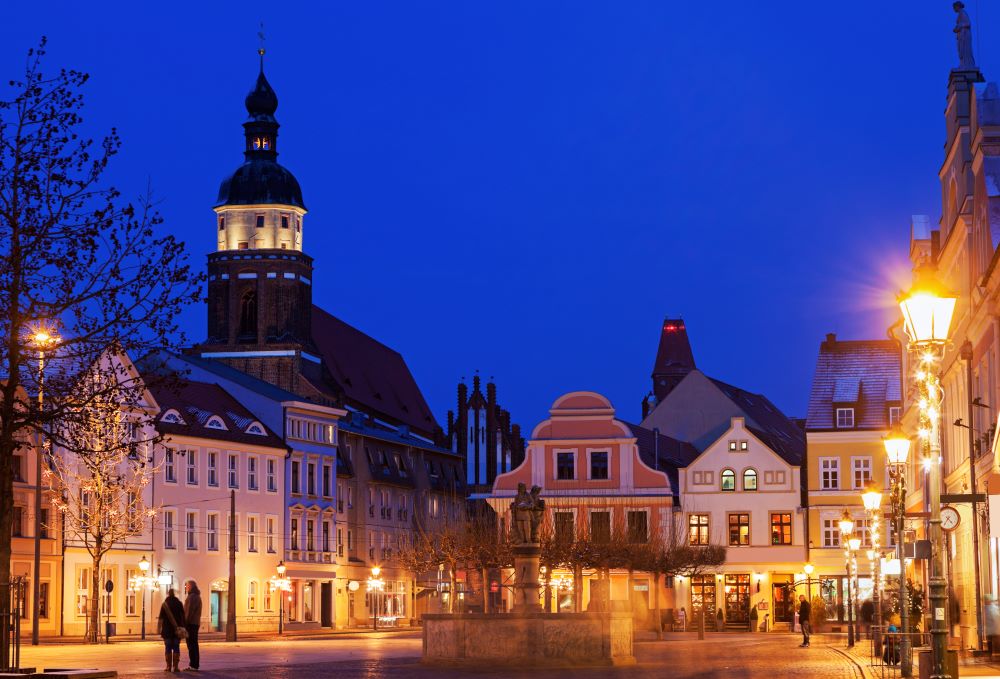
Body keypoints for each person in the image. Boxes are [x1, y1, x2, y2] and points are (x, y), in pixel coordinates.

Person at [158, 588, 186, 673]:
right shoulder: (179, 603)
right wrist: (183, 627)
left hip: (167, 630)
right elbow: (183, 617)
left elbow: (161, 618)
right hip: (177, 630)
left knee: (168, 647)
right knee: (176, 647)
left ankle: (168, 666)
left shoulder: (164, 604)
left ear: (168, 594)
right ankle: (176, 667)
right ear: (174, 594)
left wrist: (159, 629)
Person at [183, 580, 203, 671]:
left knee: (191, 645)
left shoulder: (192, 597)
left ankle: (193, 665)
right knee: (193, 644)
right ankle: (194, 665)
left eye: (187, 586)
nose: (186, 588)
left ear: (191, 587)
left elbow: (189, 611)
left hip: (191, 624)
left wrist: (185, 623)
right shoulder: (197, 596)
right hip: (195, 623)